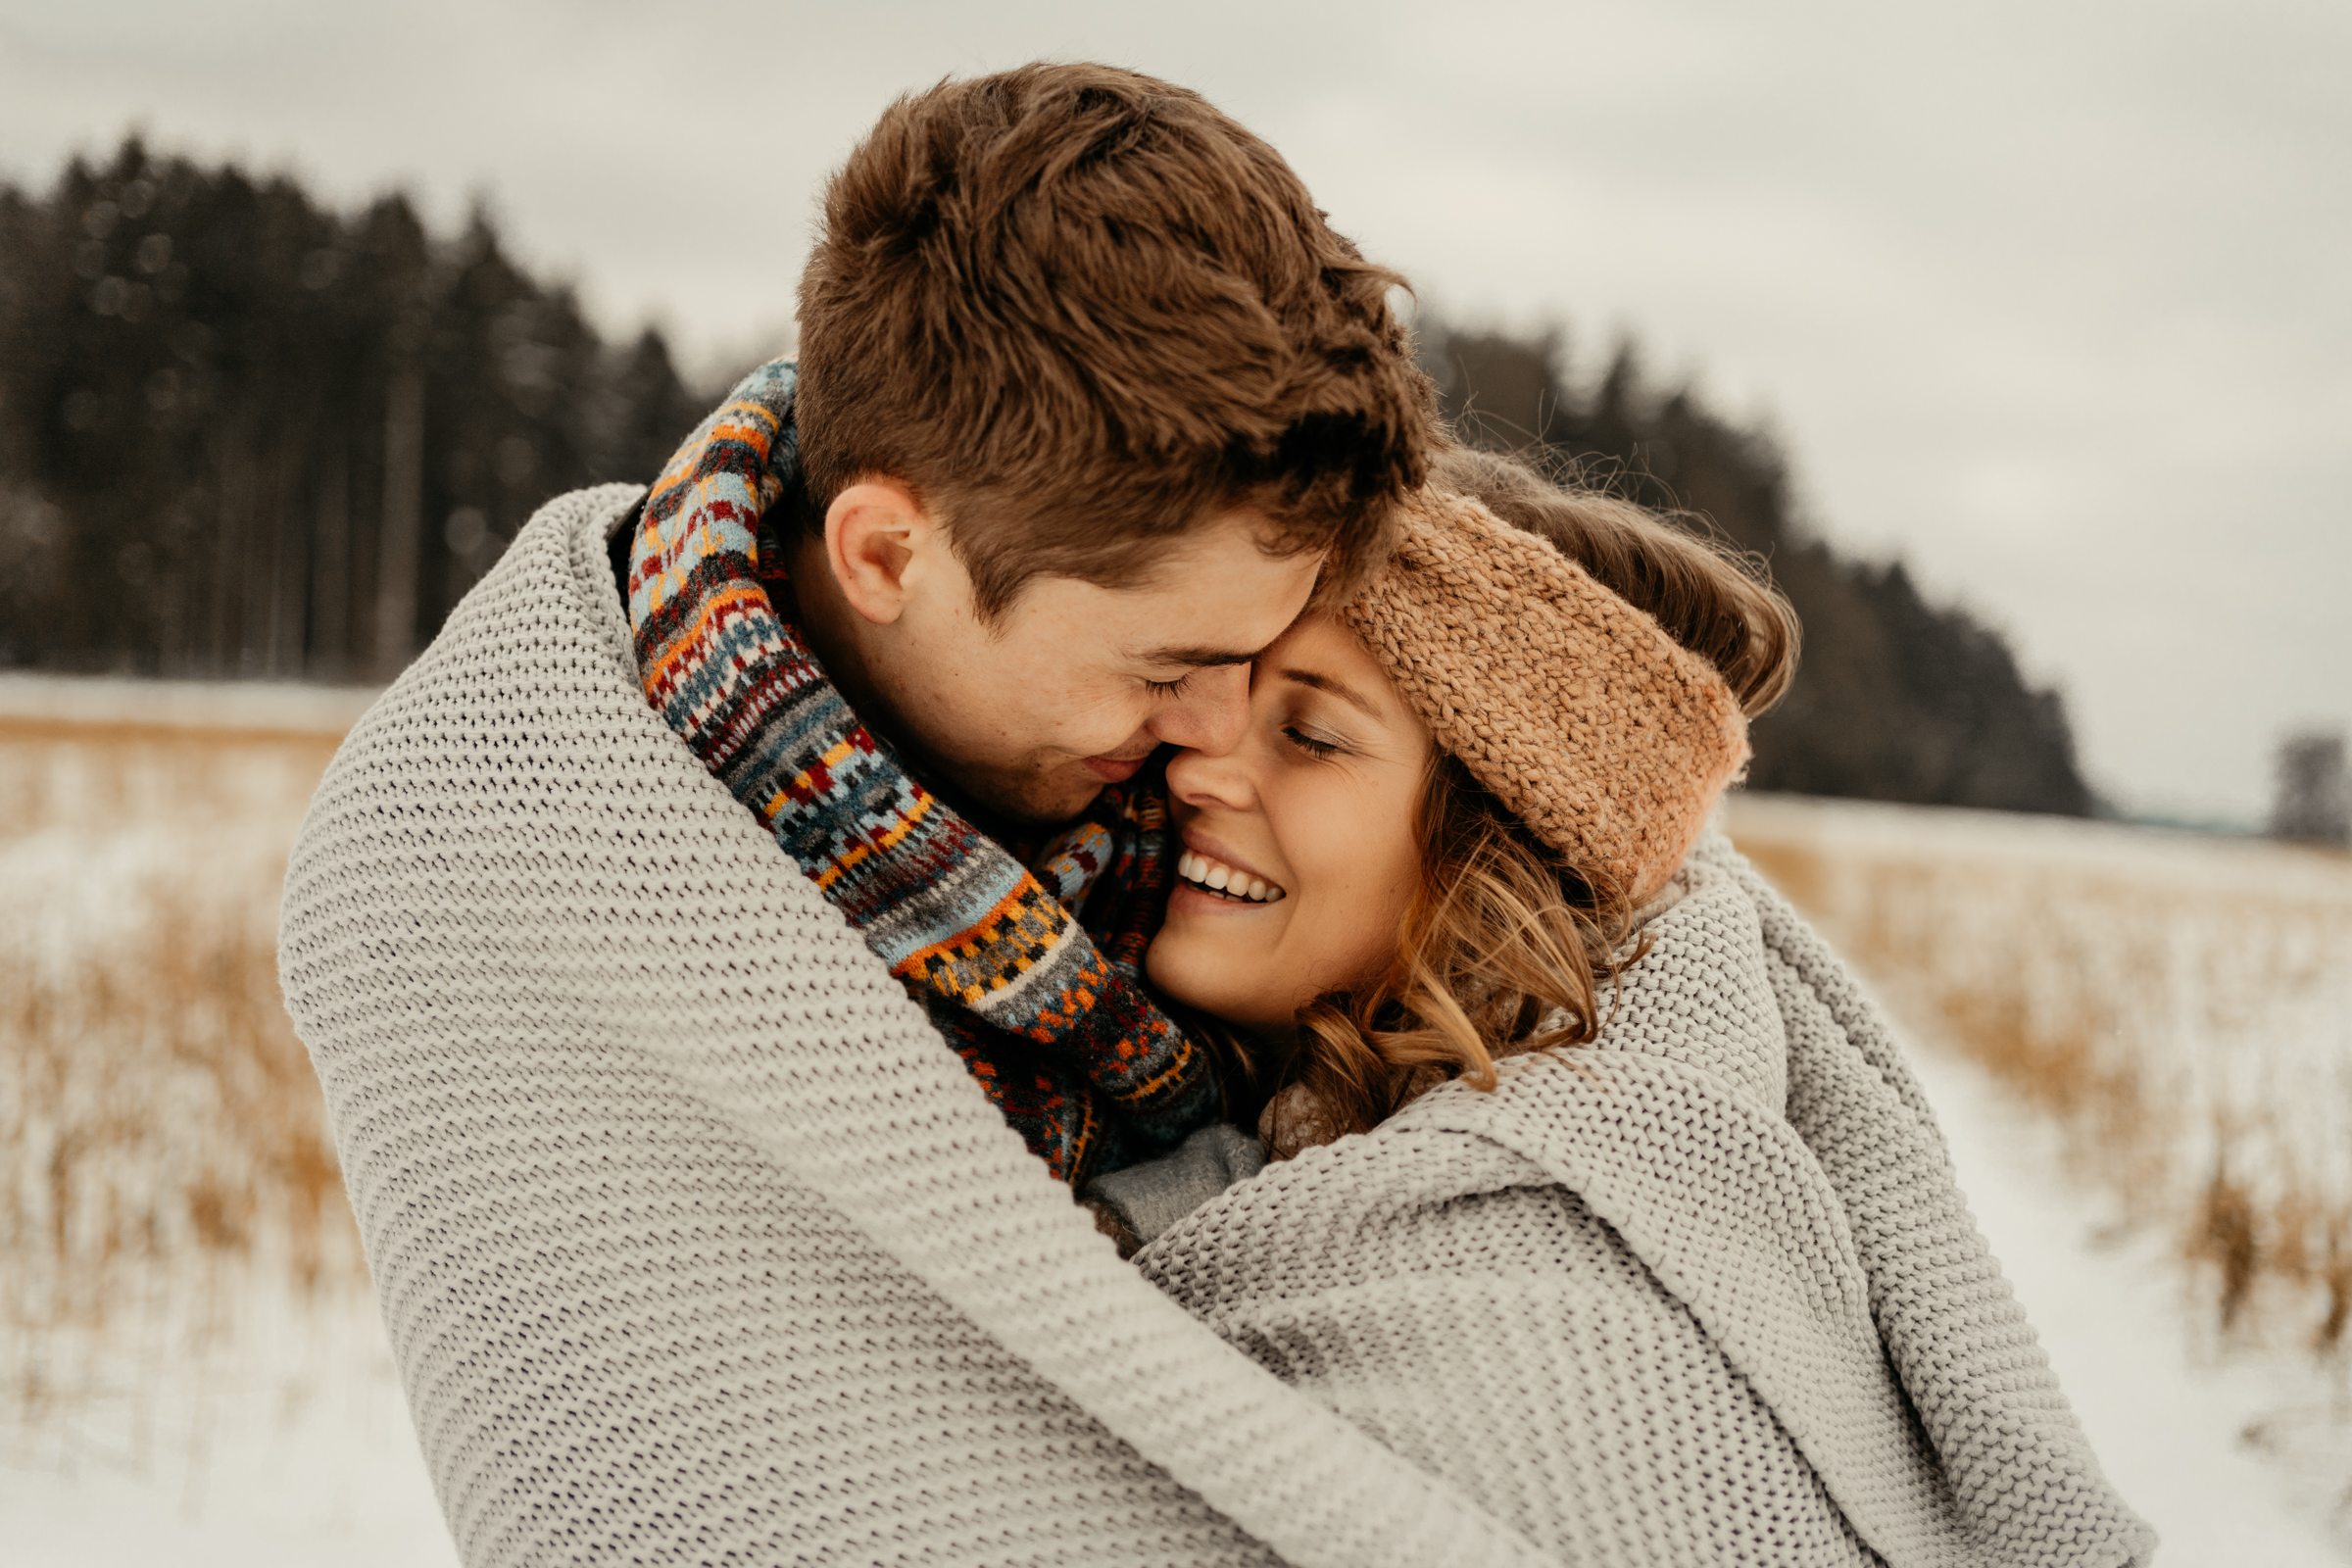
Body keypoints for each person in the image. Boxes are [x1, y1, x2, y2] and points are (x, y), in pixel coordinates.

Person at [284, 64, 1564, 1568]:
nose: (1217, 744)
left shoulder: (1139, 708)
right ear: (888, 554)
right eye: (1171, 671)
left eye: (1259, 667)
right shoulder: (490, 856)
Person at [1089, 454, 2154, 1565]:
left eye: (1309, 735)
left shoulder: (1555, 1336)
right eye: (1224, 698)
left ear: (1492, 851)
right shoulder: (1284, 1116)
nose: (1196, 769)